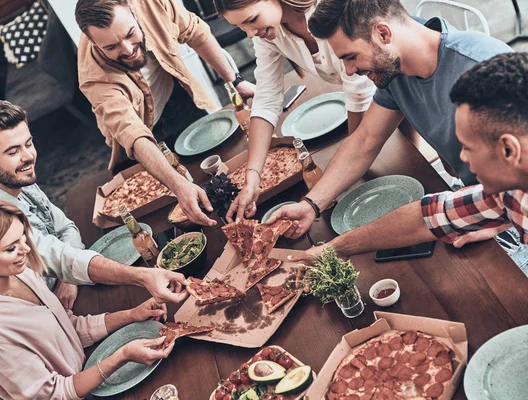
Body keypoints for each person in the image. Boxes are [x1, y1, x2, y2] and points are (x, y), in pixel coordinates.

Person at [266, 0, 513, 239]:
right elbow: (365, 140)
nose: (350, 71)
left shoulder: (483, 69)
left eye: (351, 57)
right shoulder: (395, 67)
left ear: (383, 33)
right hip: (474, 199)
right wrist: (311, 205)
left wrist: (499, 222)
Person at [290, 53, 528, 264]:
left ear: (508, 149)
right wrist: (335, 249)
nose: (462, 158)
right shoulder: (509, 190)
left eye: (468, 147)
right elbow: (427, 217)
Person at [0, 100, 187, 306]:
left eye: (29, 143)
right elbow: (61, 259)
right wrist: (143, 278)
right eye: (13, 151)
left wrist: (68, 277)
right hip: (48, 312)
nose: (28, 156)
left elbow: (65, 228)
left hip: (70, 286)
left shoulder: (14, 175)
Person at [0, 197, 173, 399]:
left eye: (23, 238)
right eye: (11, 248)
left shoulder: (22, 274)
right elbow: (53, 394)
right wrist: (122, 355)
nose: (27, 249)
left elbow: (68, 330)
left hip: (88, 371)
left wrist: (132, 314)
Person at [75, 0, 255, 227]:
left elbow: (196, 32)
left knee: (220, 181)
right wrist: (178, 185)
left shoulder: (151, 3)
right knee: (169, 217)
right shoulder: (92, 76)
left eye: (130, 34)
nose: (128, 50)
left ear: (132, 10)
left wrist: (236, 81)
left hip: (178, 99)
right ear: (92, 42)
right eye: (111, 47)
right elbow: (131, 132)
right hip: (144, 138)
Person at [214, 0, 376, 222]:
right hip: (369, 101)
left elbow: (360, 96)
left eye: (252, 20)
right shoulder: (269, 33)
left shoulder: (331, 8)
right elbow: (266, 98)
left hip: (394, 88)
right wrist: (252, 176)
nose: (250, 34)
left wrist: (350, 165)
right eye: (241, 27)